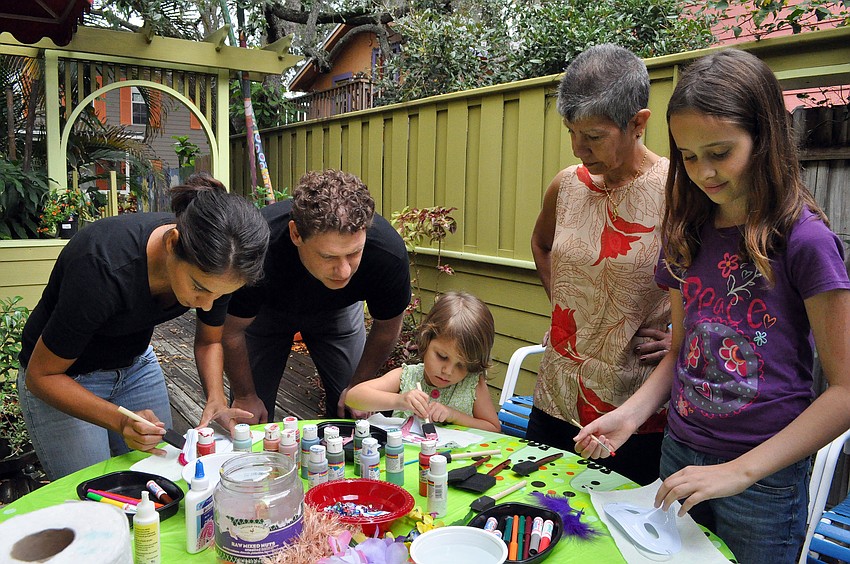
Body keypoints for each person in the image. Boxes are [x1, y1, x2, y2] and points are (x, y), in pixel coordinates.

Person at [575, 49, 850, 563]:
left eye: (719, 152)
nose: (703, 171)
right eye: (687, 155)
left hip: (762, 476)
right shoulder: (685, 232)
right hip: (679, 451)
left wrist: (739, 471)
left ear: (765, 138)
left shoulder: (805, 242)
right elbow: (680, 349)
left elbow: (845, 390)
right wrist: (632, 415)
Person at [18, 173, 270, 480]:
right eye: (199, 289)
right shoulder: (102, 268)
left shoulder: (218, 263)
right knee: (95, 492)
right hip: (64, 376)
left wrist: (216, 399)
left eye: (221, 295)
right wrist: (120, 421)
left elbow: (210, 341)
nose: (207, 304)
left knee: (160, 481)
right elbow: (40, 376)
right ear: (171, 242)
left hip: (135, 365)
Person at [529, 44, 671, 485]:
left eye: (592, 136)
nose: (577, 149)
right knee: (539, 511)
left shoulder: (677, 193)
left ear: (638, 123)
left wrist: (684, 342)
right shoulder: (567, 187)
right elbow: (542, 244)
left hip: (632, 409)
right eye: (572, 132)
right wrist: (565, 305)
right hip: (555, 393)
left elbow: (714, 285)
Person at [222, 169, 411, 422]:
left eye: (354, 253)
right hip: (265, 314)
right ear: (296, 234)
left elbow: (387, 328)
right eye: (329, 256)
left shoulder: (388, 253)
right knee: (248, 415)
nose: (344, 271)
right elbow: (231, 331)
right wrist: (245, 395)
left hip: (338, 313)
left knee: (355, 407)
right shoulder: (257, 246)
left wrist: (360, 386)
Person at [346, 291, 501, 432]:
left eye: (462, 365)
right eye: (442, 356)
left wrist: (454, 416)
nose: (448, 371)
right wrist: (400, 400)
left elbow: (493, 428)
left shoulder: (471, 384)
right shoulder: (408, 375)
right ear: (426, 340)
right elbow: (353, 397)